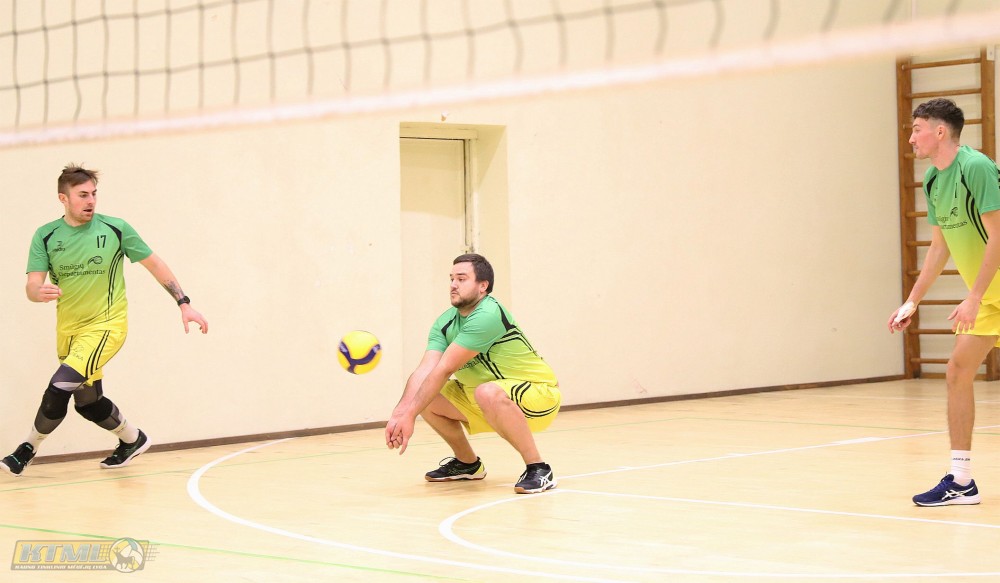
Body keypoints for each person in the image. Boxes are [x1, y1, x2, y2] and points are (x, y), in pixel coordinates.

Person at [1, 164, 208, 477]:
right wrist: (36, 292)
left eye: (94, 194)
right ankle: (133, 439)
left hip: (106, 327)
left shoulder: (115, 229)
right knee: (87, 402)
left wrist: (184, 302)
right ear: (63, 198)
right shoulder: (45, 235)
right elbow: (32, 284)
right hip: (69, 331)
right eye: (82, 195)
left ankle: (26, 450)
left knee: (59, 386)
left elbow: (155, 264)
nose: (91, 201)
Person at [889, 98, 1000, 506]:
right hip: (990, 298)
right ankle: (962, 480)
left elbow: (998, 235)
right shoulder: (934, 180)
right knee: (957, 372)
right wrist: (912, 301)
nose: (911, 137)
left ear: (939, 132)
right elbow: (940, 246)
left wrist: (973, 296)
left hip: (985, 294)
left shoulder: (976, 168)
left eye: (917, 129)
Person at [385, 253, 561, 494]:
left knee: (485, 391)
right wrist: (400, 413)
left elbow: (445, 369)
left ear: (482, 286)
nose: (453, 285)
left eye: (461, 279)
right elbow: (425, 370)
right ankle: (467, 463)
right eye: (451, 279)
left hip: (538, 395)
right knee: (428, 396)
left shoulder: (488, 314)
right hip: (483, 398)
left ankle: (539, 468)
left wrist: (410, 415)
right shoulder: (444, 323)